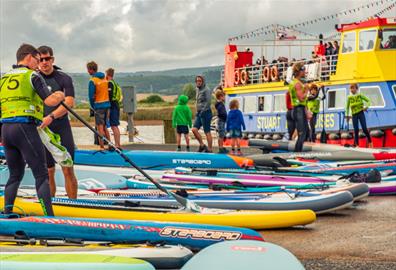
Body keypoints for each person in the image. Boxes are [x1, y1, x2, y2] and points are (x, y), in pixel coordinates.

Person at [0, 44, 65, 215]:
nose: (38, 64)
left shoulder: (3, 78)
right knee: (41, 175)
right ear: (28, 57)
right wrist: (60, 95)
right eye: (37, 60)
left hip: (6, 130)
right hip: (25, 128)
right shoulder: (32, 75)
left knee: (15, 175)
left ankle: (7, 213)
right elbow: (50, 101)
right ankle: (49, 217)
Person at [37, 45, 78, 199]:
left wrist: (51, 117)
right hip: (43, 130)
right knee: (48, 171)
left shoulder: (63, 78)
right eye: (40, 59)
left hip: (60, 127)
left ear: (52, 59)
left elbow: (69, 103)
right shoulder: (34, 78)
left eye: (47, 59)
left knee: (68, 169)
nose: (44, 62)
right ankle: (50, 209)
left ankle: (73, 207)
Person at [87, 61, 111, 150]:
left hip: (98, 106)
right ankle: (110, 144)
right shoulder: (105, 79)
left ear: (90, 70)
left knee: (99, 127)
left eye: (88, 70)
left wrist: (93, 106)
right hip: (107, 105)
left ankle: (101, 147)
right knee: (105, 126)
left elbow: (91, 96)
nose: (88, 72)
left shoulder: (92, 81)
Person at [289, 63, 308, 152]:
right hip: (298, 110)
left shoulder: (295, 82)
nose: (305, 71)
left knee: (305, 132)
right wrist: (307, 90)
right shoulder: (297, 84)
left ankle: (298, 152)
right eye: (303, 70)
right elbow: (301, 98)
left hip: (297, 109)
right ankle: (297, 154)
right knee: (302, 134)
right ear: (299, 71)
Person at [346, 83, 372, 147]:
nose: (352, 90)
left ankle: (370, 142)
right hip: (354, 114)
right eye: (351, 88)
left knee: (364, 129)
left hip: (361, 113)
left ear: (356, 89)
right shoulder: (349, 97)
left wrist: (366, 107)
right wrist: (347, 115)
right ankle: (357, 145)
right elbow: (347, 107)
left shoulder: (360, 95)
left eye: (353, 88)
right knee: (356, 130)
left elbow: (368, 101)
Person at [192, 75, 213, 152]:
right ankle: (202, 145)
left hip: (206, 112)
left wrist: (203, 111)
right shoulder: (197, 89)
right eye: (197, 81)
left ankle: (210, 149)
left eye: (200, 81)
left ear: (203, 81)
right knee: (194, 129)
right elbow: (198, 101)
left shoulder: (206, 90)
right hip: (198, 112)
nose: (198, 82)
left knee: (207, 131)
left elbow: (208, 102)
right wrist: (197, 110)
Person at [105, 68, 122, 148]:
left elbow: (110, 96)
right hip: (116, 104)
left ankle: (117, 145)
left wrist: (108, 108)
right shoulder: (115, 83)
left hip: (113, 106)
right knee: (115, 125)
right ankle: (118, 144)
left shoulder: (110, 83)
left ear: (107, 74)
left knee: (114, 126)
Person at [214, 89, 228, 154]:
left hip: (222, 121)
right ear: (220, 97)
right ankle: (220, 148)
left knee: (222, 135)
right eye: (223, 96)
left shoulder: (220, 104)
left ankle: (221, 147)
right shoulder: (220, 104)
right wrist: (226, 117)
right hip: (221, 121)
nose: (224, 97)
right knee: (221, 135)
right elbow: (221, 113)